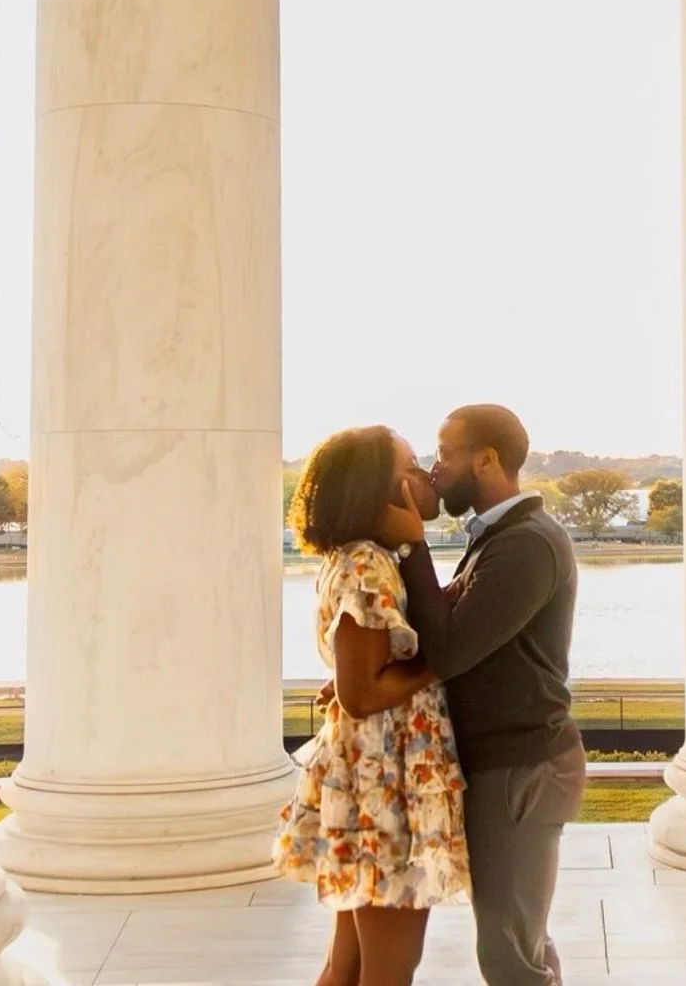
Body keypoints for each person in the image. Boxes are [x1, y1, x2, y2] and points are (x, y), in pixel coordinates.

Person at [379, 404, 584, 986]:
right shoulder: (498, 539)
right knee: (522, 945)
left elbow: (450, 651)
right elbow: (450, 630)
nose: (435, 468)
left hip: (523, 768)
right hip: (508, 764)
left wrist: (415, 545)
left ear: (487, 459)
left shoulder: (526, 545)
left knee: (509, 956)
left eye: (445, 453)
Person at [274, 425, 470, 986]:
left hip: (376, 776)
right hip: (385, 783)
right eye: (410, 468)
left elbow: (356, 675)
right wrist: (449, 654)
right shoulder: (368, 565)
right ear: (381, 493)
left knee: (348, 966)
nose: (425, 475)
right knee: (388, 970)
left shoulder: (364, 558)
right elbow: (362, 695)